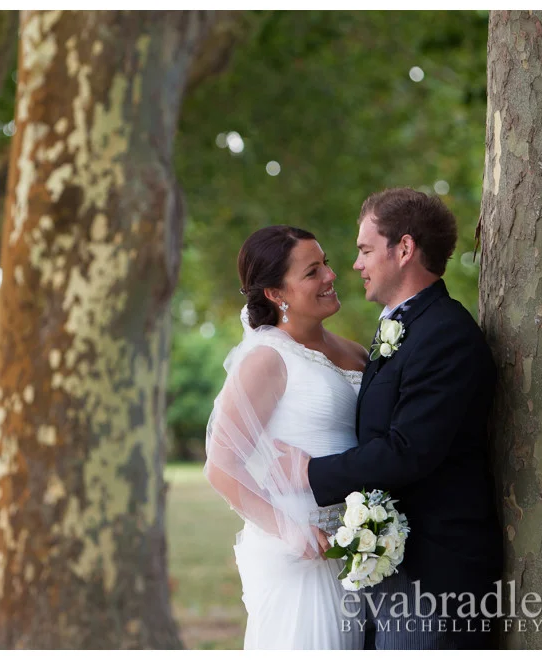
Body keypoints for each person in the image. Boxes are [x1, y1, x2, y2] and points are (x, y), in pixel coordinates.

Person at [276, 188, 503, 649]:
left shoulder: (447, 334)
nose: (355, 265)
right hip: (398, 571)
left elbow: (408, 451)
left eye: (364, 250)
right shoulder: (403, 326)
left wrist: (309, 472)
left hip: (438, 581)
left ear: (403, 249)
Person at [204, 224, 368, 649]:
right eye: (312, 272)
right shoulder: (267, 358)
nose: (331, 276)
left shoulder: (356, 353)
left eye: (326, 264)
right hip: (306, 556)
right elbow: (220, 465)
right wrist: (290, 530)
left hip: (365, 545)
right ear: (277, 294)